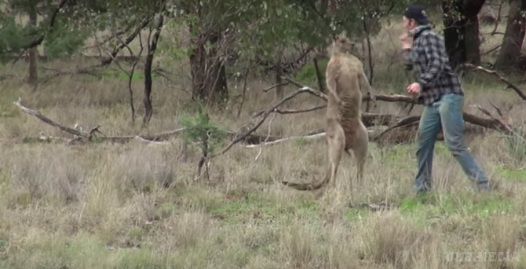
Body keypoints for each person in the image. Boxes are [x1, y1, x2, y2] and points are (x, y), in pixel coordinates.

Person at [400, 4, 490, 193]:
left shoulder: (429, 37)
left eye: (404, 20)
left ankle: (482, 185)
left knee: (454, 144)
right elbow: (410, 65)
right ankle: (422, 189)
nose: (403, 24)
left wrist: (421, 84)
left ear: (411, 21)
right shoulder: (418, 40)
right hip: (433, 100)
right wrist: (407, 49)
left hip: (448, 96)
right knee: (423, 141)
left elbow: (438, 64)